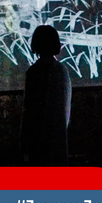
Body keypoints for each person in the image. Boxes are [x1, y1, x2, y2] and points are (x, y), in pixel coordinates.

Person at [21, 24, 71, 166]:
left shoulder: (34, 72)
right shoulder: (62, 71)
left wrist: (25, 143)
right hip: (58, 140)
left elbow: (29, 111)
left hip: (37, 142)